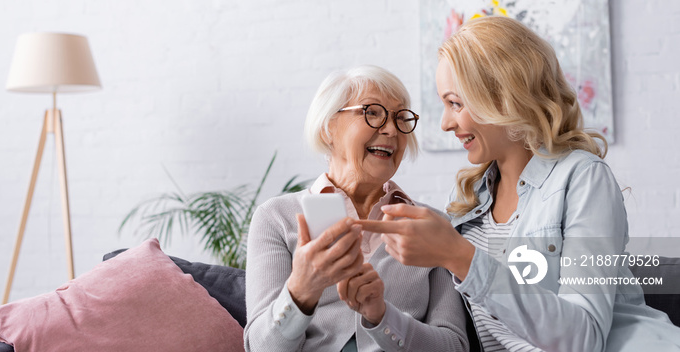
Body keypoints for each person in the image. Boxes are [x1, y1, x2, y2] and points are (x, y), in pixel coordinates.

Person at [358, 16, 680, 352]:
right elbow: (453, 342)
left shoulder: (582, 178)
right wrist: (380, 314)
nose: (445, 123)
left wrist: (459, 256)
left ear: (503, 97)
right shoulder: (465, 200)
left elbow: (583, 337)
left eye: (455, 103)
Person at [244, 65, 469, 352]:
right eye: (372, 112)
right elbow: (260, 348)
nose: (390, 130)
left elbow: (455, 346)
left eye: (400, 118)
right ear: (328, 127)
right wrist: (300, 291)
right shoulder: (276, 218)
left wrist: (382, 317)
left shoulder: (432, 226)